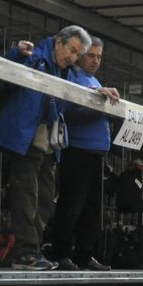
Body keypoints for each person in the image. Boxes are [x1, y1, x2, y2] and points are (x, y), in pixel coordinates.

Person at [0, 26, 89, 270]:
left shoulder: (69, 72)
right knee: (26, 195)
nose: (73, 57)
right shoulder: (33, 56)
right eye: (71, 50)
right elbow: (1, 75)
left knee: (45, 198)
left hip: (47, 143)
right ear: (58, 42)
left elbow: (77, 99)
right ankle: (25, 253)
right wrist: (17, 54)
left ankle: (32, 251)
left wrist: (99, 93)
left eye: (78, 54)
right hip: (25, 139)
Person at [48, 37, 120, 271]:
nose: (96, 61)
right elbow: (65, 108)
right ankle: (60, 253)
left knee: (92, 208)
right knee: (71, 204)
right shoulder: (72, 75)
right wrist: (96, 98)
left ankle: (84, 254)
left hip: (96, 154)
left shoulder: (94, 79)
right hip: (77, 151)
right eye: (91, 56)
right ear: (80, 55)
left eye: (99, 57)